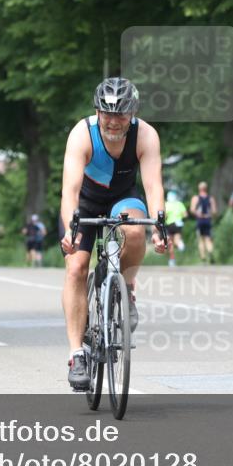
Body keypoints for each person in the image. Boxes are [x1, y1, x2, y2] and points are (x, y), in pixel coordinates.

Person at [59, 77, 166, 391]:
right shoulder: (82, 134)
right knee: (77, 267)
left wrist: (160, 226)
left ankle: (127, 287)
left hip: (124, 199)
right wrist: (70, 228)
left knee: (135, 231)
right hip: (85, 202)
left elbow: (153, 186)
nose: (114, 121)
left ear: (132, 113)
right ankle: (77, 353)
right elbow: (70, 190)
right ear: (97, 111)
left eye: (121, 114)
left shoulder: (145, 135)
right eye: (107, 113)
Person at [190, 181, 218, 264]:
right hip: (208, 220)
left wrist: (198, 214)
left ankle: (203, 257)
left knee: (201, 240)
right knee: (208, 239)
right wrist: (210, 215)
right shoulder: (211, 198)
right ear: (206, 188)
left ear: (199, 189)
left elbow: (192, 210)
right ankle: (210, 251)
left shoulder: (196, 198)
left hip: (200, 220)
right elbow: (214, 211)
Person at [164, 190, 188, 267]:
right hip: (179, 224)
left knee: (170, 243)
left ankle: (172, 260)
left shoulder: (166, 204)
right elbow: (185, 215)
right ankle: (181, 245)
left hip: (170, 224)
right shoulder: (179, 204)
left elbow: (165, 216)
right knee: (177, 240)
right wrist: (179, 216)